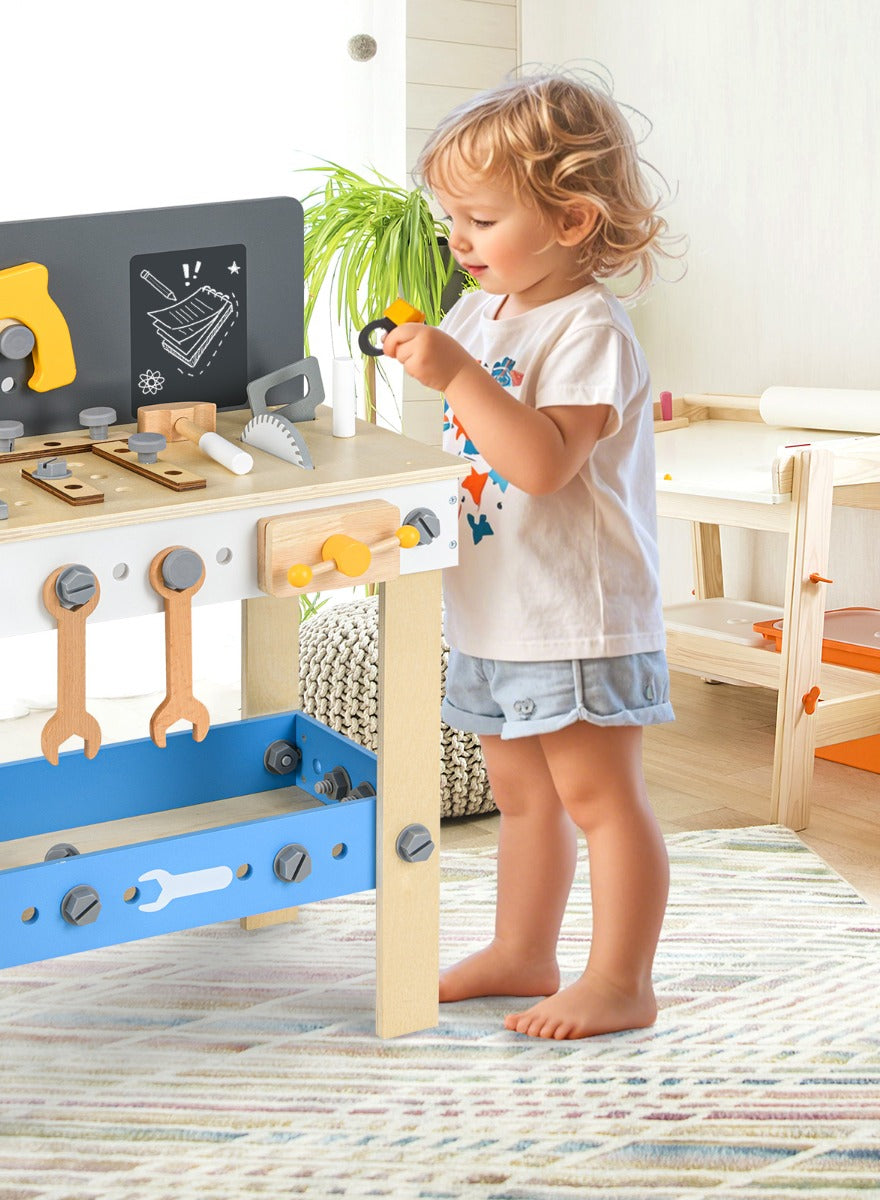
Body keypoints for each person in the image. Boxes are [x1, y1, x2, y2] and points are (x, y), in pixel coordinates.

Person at [382, 71, 679, 1039]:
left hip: (575, 613)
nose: (456, 240)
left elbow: (545, 464)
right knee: (520, 797)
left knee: (599, 799)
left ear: (572, 219)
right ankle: (523, 950)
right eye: (448, 219)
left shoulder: (590, 330)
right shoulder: (485, 313)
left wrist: (459, 374)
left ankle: (623, 981)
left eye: (478, 217)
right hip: (497, 607)